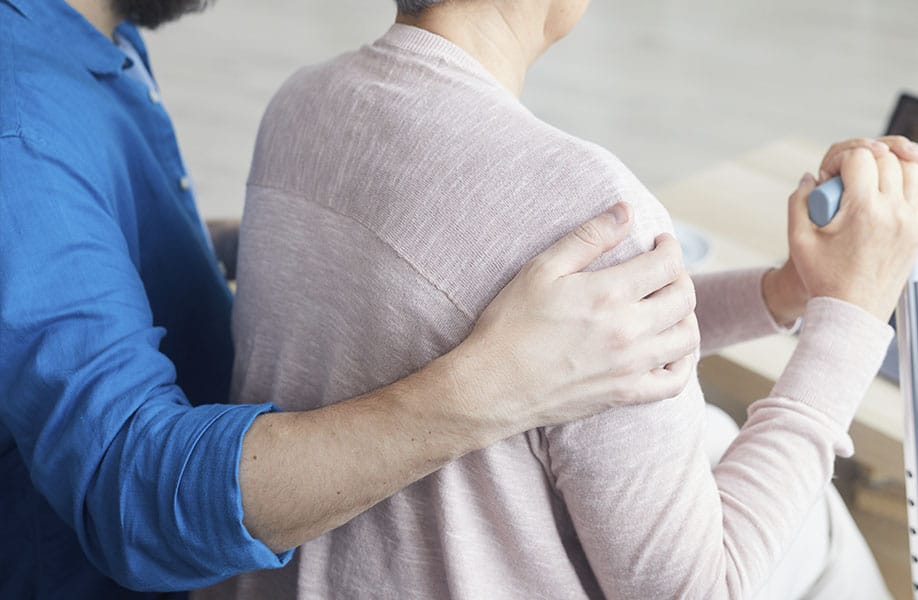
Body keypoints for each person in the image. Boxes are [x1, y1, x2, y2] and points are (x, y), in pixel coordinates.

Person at [200, 1, 918, 598]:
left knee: (712, 434)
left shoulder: (302, 104)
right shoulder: (586, 206)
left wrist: (784, 294)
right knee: (821, 528)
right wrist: (854, 311)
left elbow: (542, 322)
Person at [0, 0, 704, 597]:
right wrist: (494, 386)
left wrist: (309, 236)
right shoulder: (21, 122)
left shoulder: (93, 32)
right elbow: (134, 498)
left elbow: (91, 241)